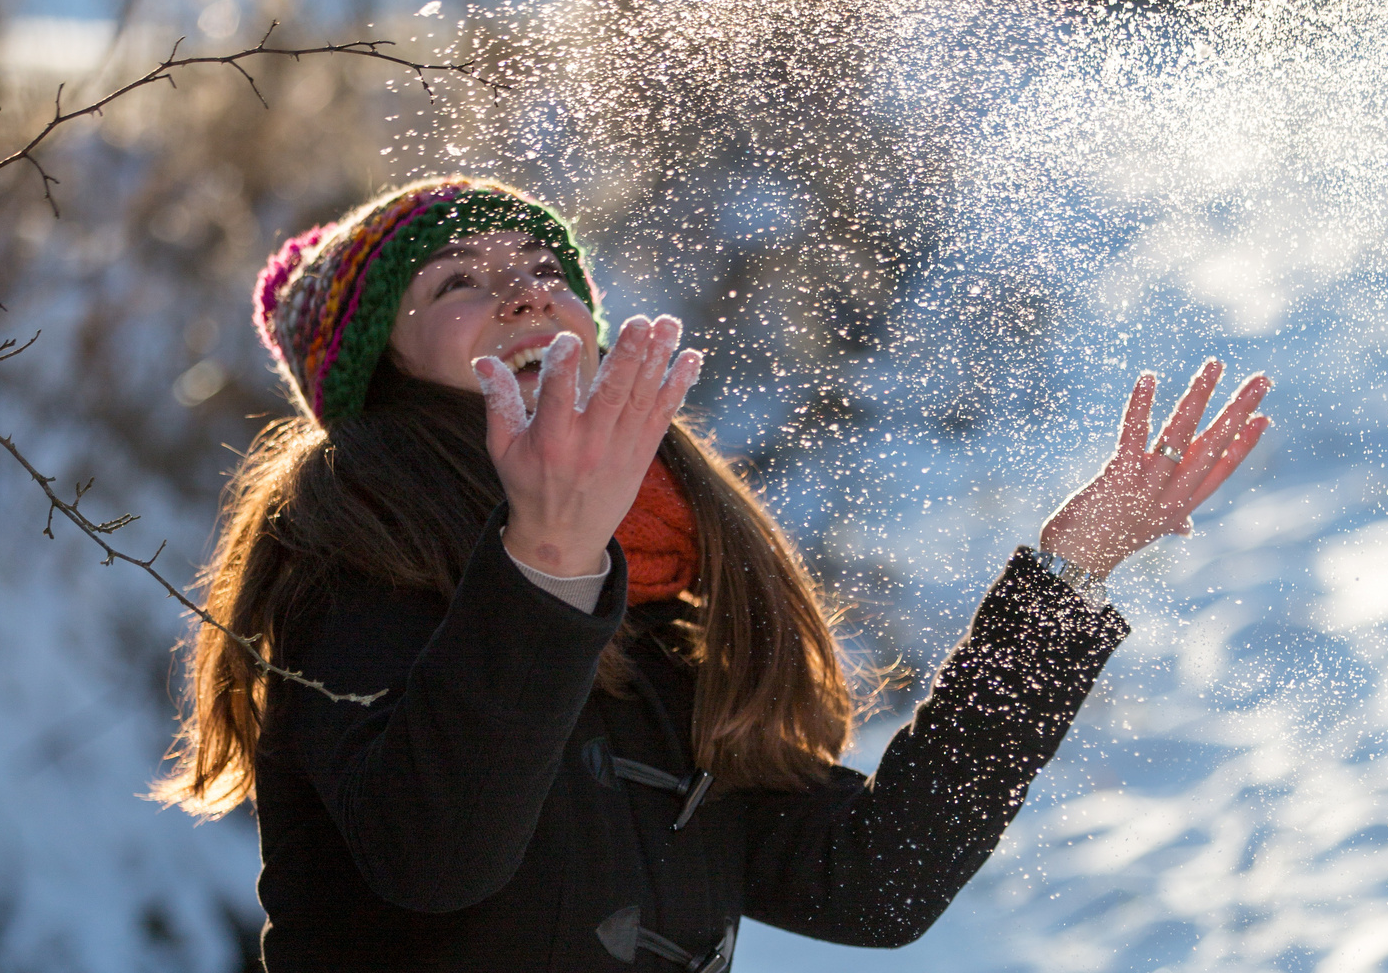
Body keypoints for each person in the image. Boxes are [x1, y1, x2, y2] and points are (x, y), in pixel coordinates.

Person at [156, 175, 1271, 972]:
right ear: (381, 377)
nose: (525, 291)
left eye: (545, 268)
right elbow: (434, 860)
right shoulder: (341, 573)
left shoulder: (648, 612)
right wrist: (547, 562)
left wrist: (1065, 578)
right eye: (460, 281)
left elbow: (877, 879)